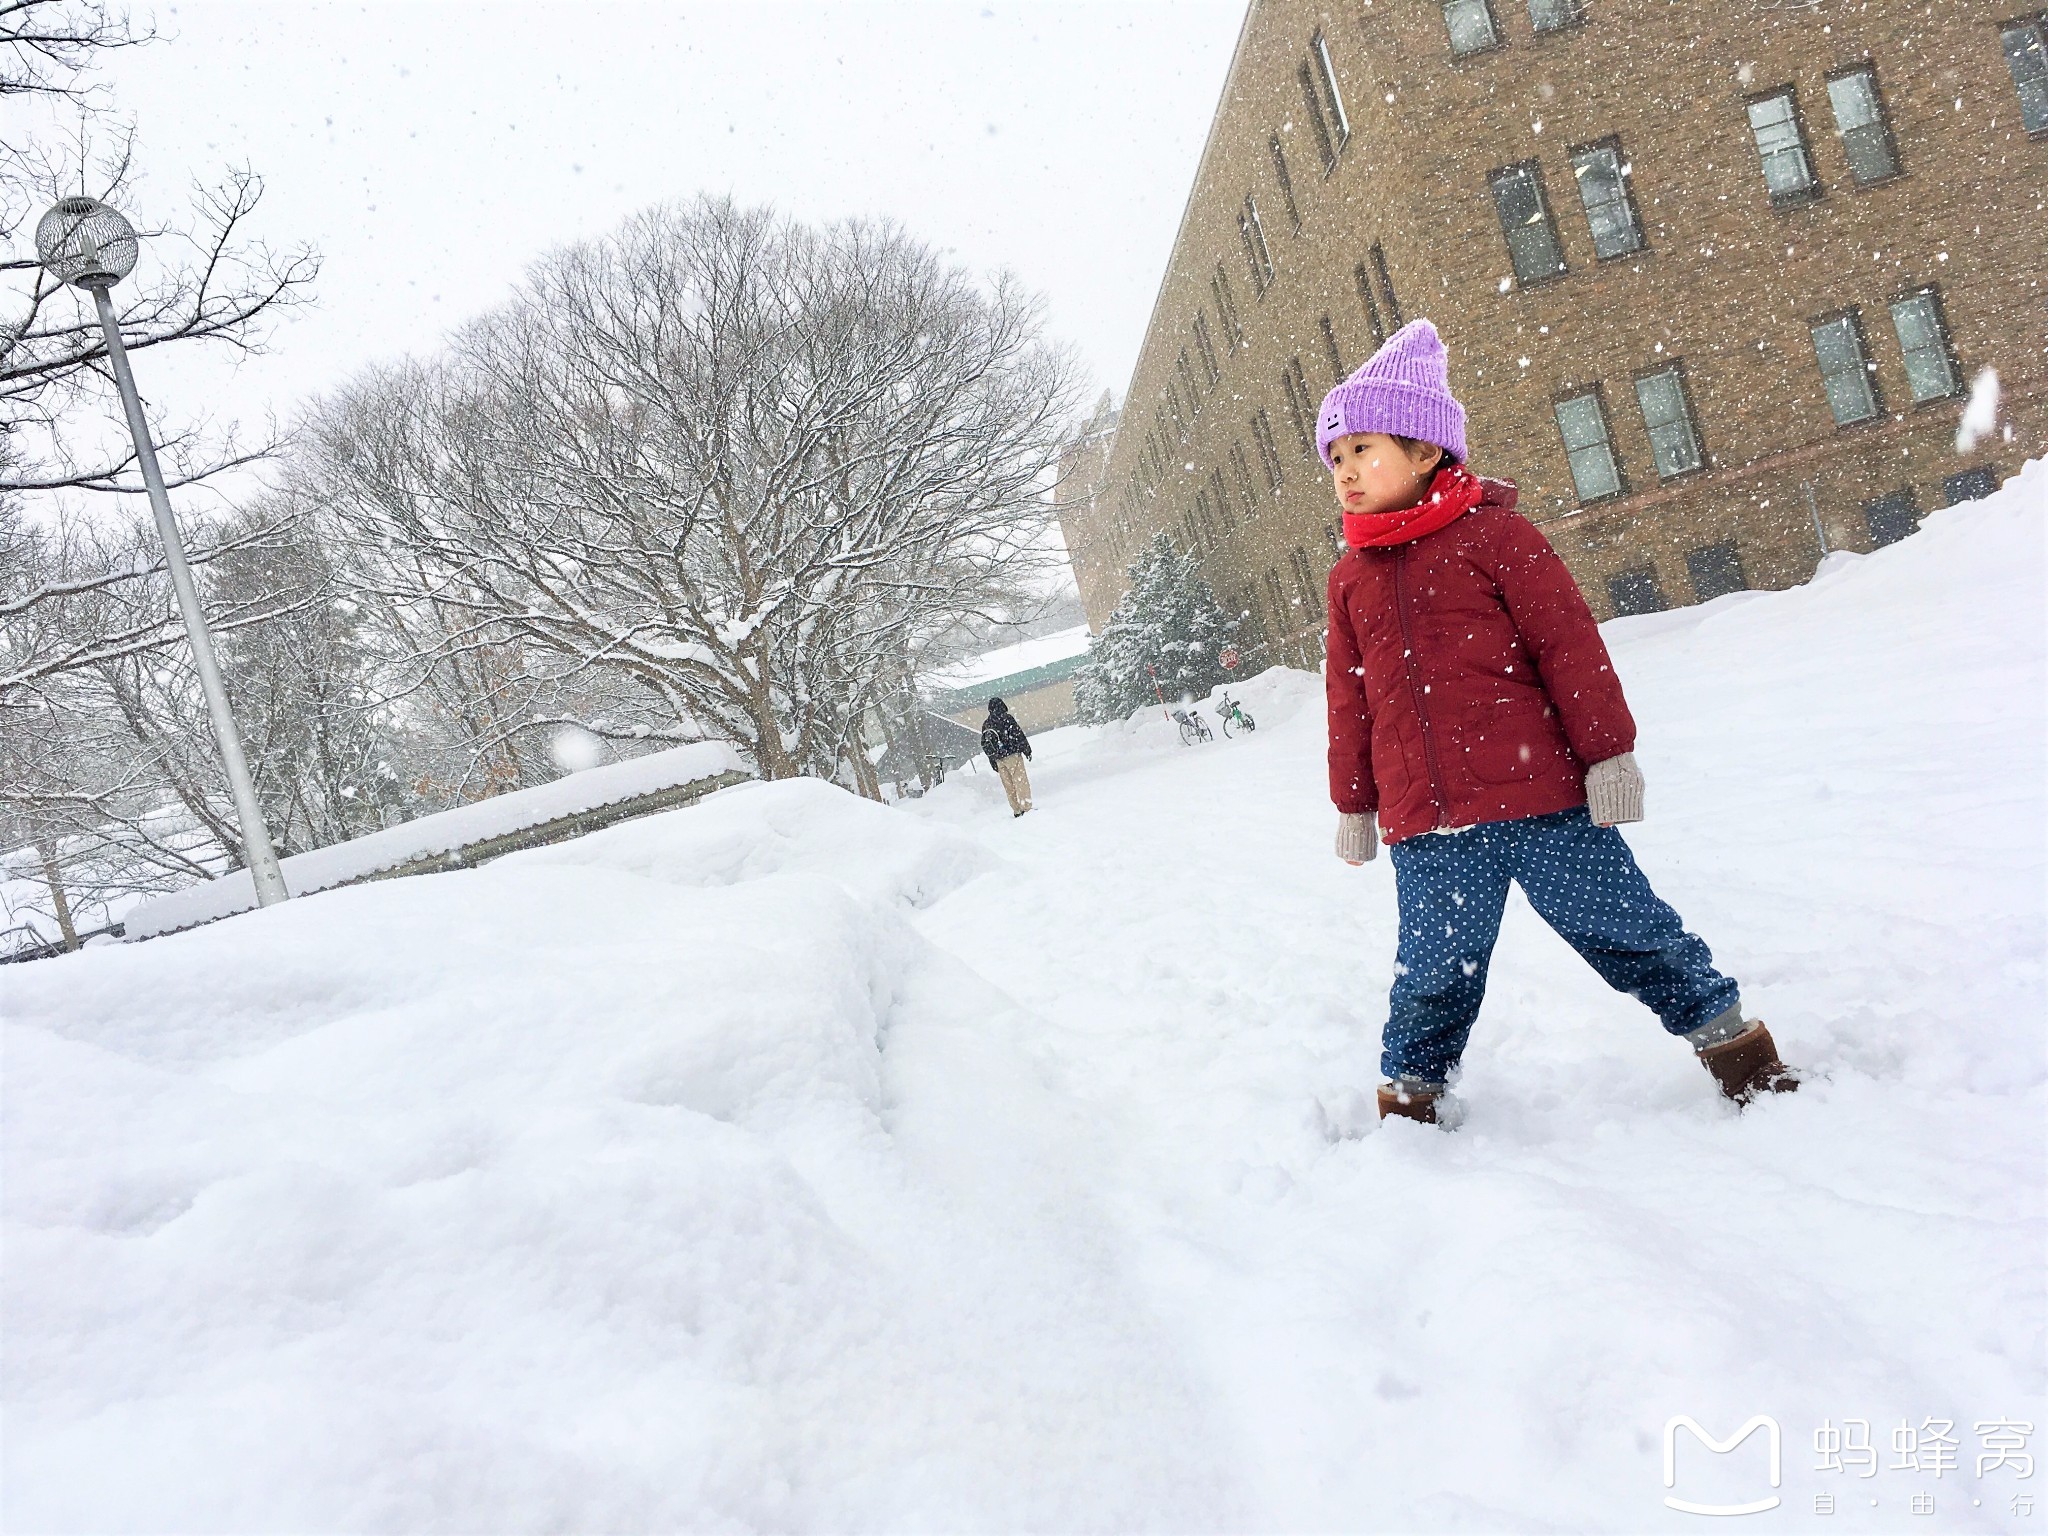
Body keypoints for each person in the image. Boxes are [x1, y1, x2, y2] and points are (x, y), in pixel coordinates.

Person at [1319, 319, 1797, 1126]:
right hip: (1426, 823)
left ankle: (1736, 1048)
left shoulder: (1497, 539)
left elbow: (1569, 648)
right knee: (1434, 972)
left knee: (1629, 929)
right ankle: (1410, 1106)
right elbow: (1349, 701)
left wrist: (1608, 755)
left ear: (1428, 451)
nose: (1345, 471)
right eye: (1335, 458)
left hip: (1542, 801)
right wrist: (1355, 802)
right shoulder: (1348, 580)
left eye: (1362, 448)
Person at [980, 697, 1034, 817]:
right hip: (1012, 755)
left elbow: (987, 745)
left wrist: (993, 761)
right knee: (1020, 781)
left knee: (1008, 786)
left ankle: (1016, 810)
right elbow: (1018, 734)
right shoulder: (1007, 719)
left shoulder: (986, 724)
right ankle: (1026, 807)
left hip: (999, 760)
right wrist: (1027, 750)